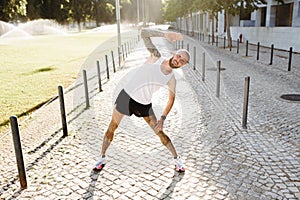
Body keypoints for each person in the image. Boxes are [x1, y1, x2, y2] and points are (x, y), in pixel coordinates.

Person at [93, 28, 190, 173]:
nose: (178, 60)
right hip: (126, 97)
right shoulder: (156, 56)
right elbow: (144, 32)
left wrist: (163, 118)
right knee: (112, 127)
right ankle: (102, 158)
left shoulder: (171, 79)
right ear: (174, 54)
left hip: (144, 105)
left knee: (159, 132)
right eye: (179, 56)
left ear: (183, 65)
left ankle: (177, 160)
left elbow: (171, 99)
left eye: (182, 61)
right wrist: (165, 34)